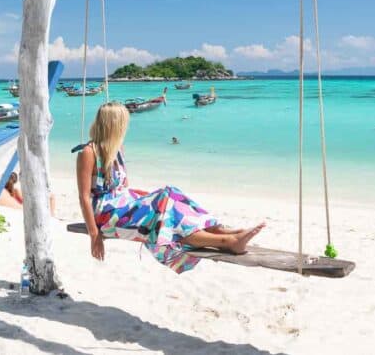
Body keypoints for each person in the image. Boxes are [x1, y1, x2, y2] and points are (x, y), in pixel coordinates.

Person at [76, 102, 264, 274]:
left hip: (123, 206)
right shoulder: (88, 153)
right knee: (165, 215)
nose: (126, 127)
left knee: (170, 194)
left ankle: (224, 232)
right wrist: (94, 235)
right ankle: (227, 241)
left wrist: (144, 198)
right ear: (114, 125)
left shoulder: (118, 149)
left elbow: (124, 187)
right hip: (105, 215)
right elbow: (84, 197)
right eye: (124, 123)